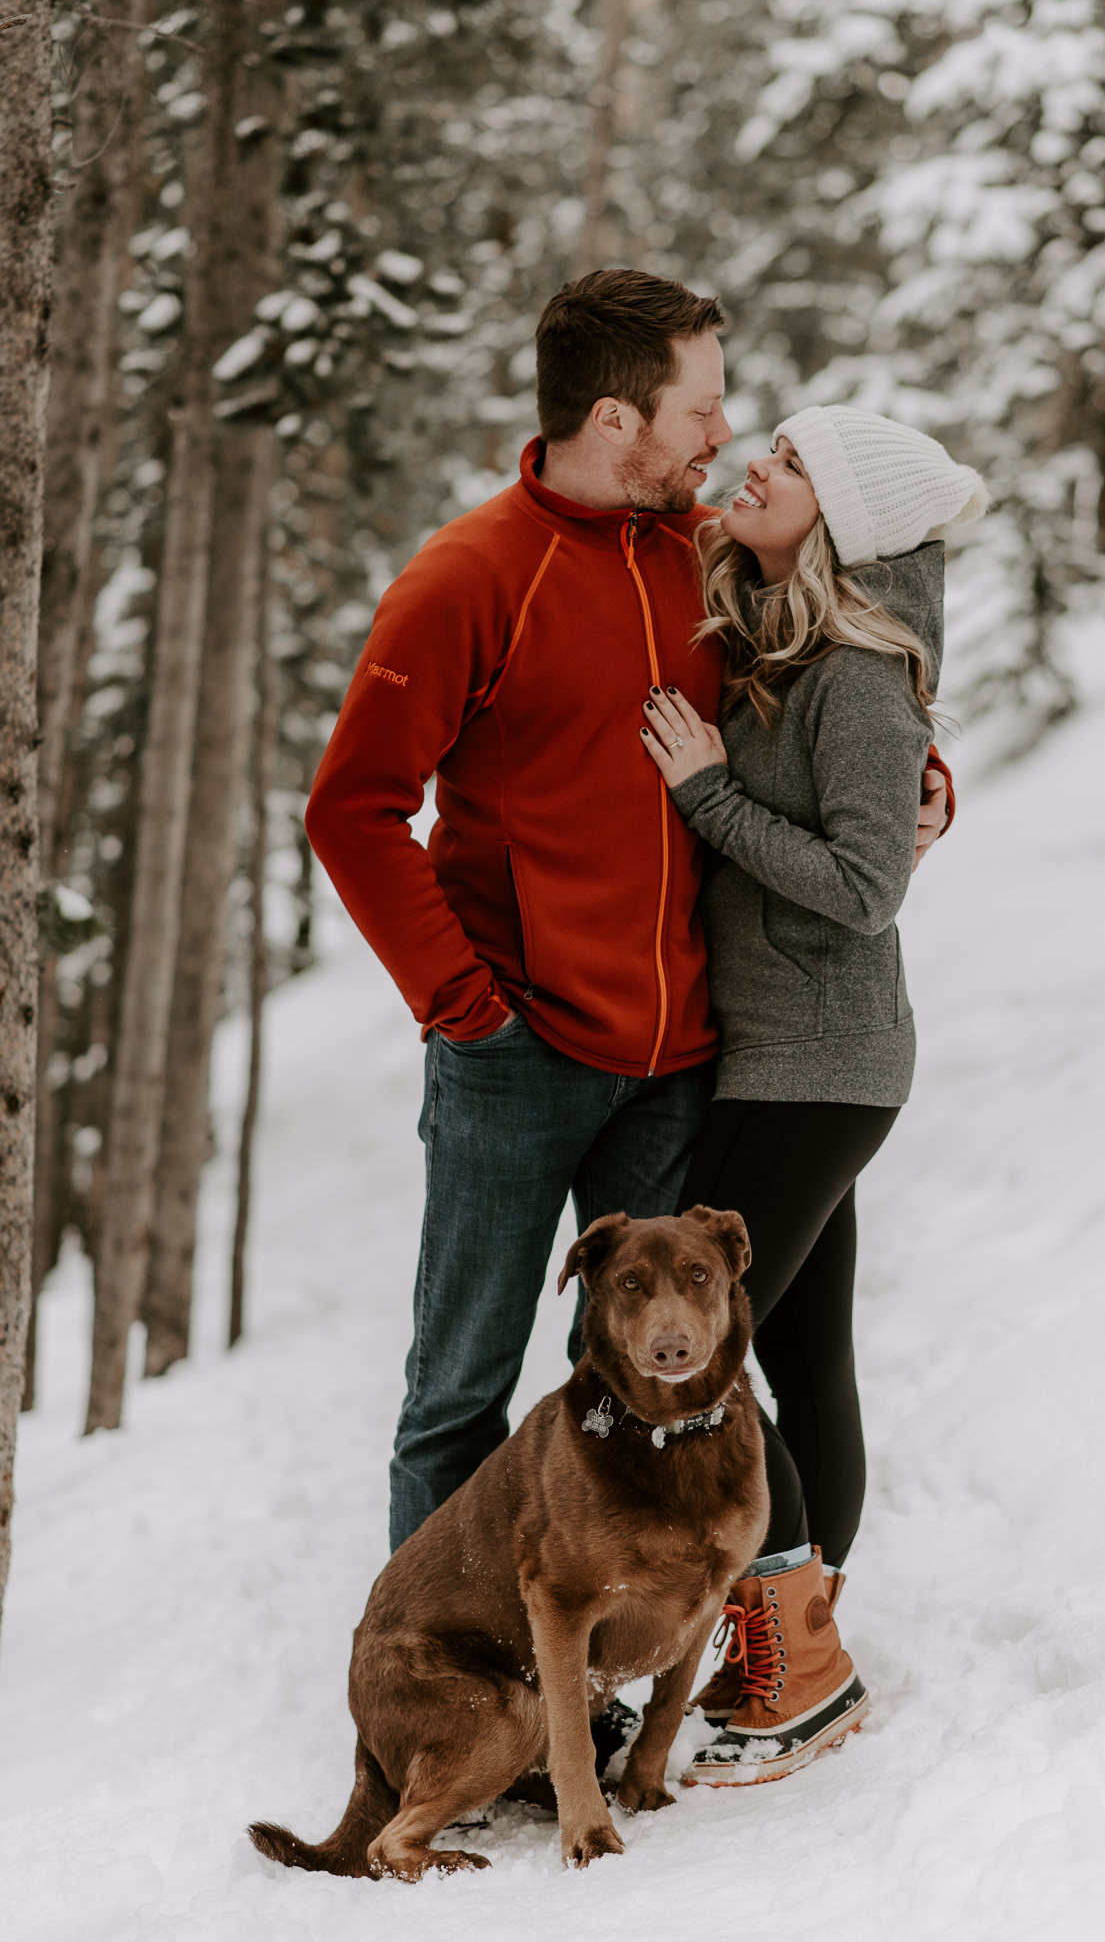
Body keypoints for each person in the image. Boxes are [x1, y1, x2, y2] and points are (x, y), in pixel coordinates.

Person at [306, 271, 952, 1576]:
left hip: (679, 1071)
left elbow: (856, 674)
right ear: (617, 418)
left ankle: (619, 1685)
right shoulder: (468, 578)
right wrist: (465, 1010)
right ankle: (450, 1689)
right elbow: (352, 810)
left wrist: (932, 787)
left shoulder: (709, 554)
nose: (722, 434)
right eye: (701, 407)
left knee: (645, 1388)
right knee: (459, 1400)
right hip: (514, 1060)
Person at [635, 407, 986, 1787]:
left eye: (787, 462)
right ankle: (806, 1644)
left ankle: (800, 1664)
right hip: (791, 1059)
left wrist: (711, 798)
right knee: (804, 1358)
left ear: (835, 519)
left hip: (818, 1067)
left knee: (703, 1363)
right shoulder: (784, 634)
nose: (756, 467)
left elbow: (865, 886)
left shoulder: (858, 677)